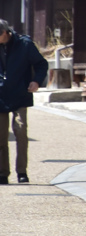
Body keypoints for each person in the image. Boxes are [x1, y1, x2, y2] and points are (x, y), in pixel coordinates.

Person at [0, 19, 48, 184]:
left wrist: (36, 81)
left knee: (20, 132)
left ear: (5, 33)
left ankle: (22, 172)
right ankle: (2, 173)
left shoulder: (24, 44)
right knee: (1, 137)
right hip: (0, 95)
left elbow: (42, 64)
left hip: (20, 93)